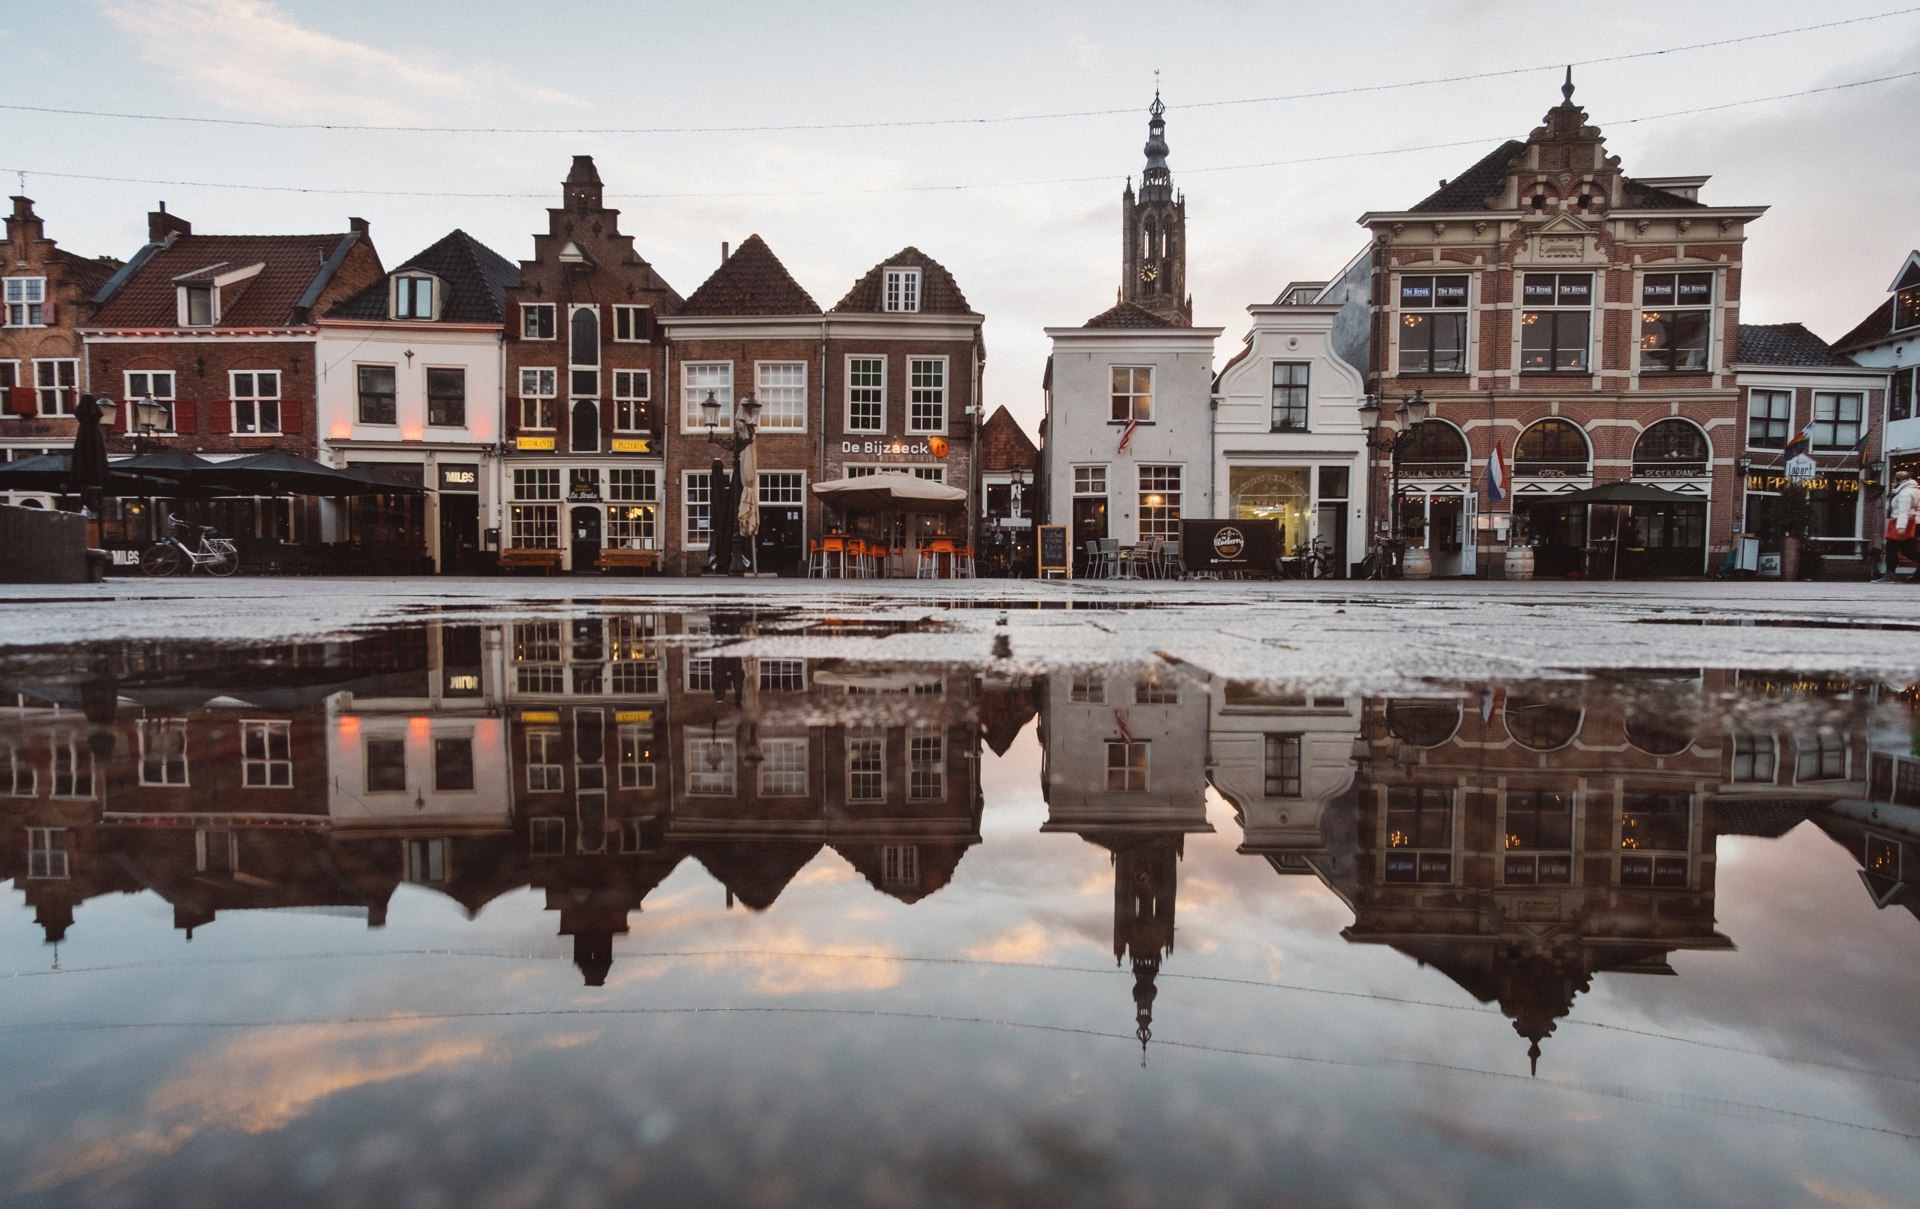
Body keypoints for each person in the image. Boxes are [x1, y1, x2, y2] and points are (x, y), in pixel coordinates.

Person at [1877, 469, 1920, 583]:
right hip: (1912, 522)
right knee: (1908, 550)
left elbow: (1903, 510)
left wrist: (1901, 526)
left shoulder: (1904, 493)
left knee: (1891, 548)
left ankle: (1890, 575)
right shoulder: (1914, 490)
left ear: (1898, 480)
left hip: (1902, 522)